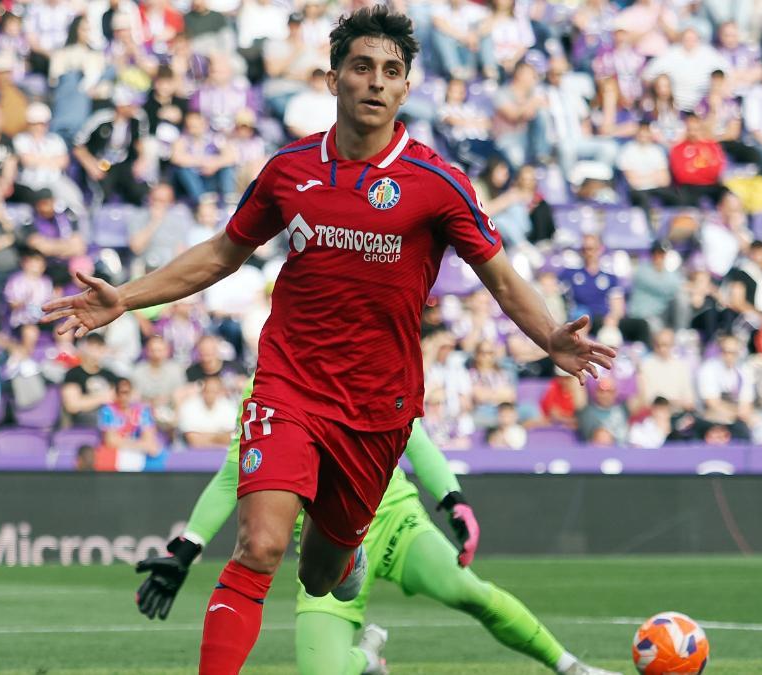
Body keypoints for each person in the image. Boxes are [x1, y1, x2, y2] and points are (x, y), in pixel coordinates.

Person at [43, 8, 615, 672]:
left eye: (391, 72)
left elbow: (502, 277)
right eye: (362, 67)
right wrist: (127, 297)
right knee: (259, 545)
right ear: (334, 77)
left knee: (320, 571)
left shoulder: (437, 182)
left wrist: (550, 335)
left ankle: (345, 552)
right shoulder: (289, 170)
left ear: (406, 88)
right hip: (289, 384)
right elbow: (223, 252)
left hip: (378, 408)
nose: (376, 82)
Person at [134, 379, 617, 675]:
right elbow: (232, 475)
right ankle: (368, 657)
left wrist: (454, 501)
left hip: (392, 520)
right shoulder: (262, 389)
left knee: (469, 592)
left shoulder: (366, 358)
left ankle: (571, 666)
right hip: (324, 555)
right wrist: (188, 545)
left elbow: (416, 439)